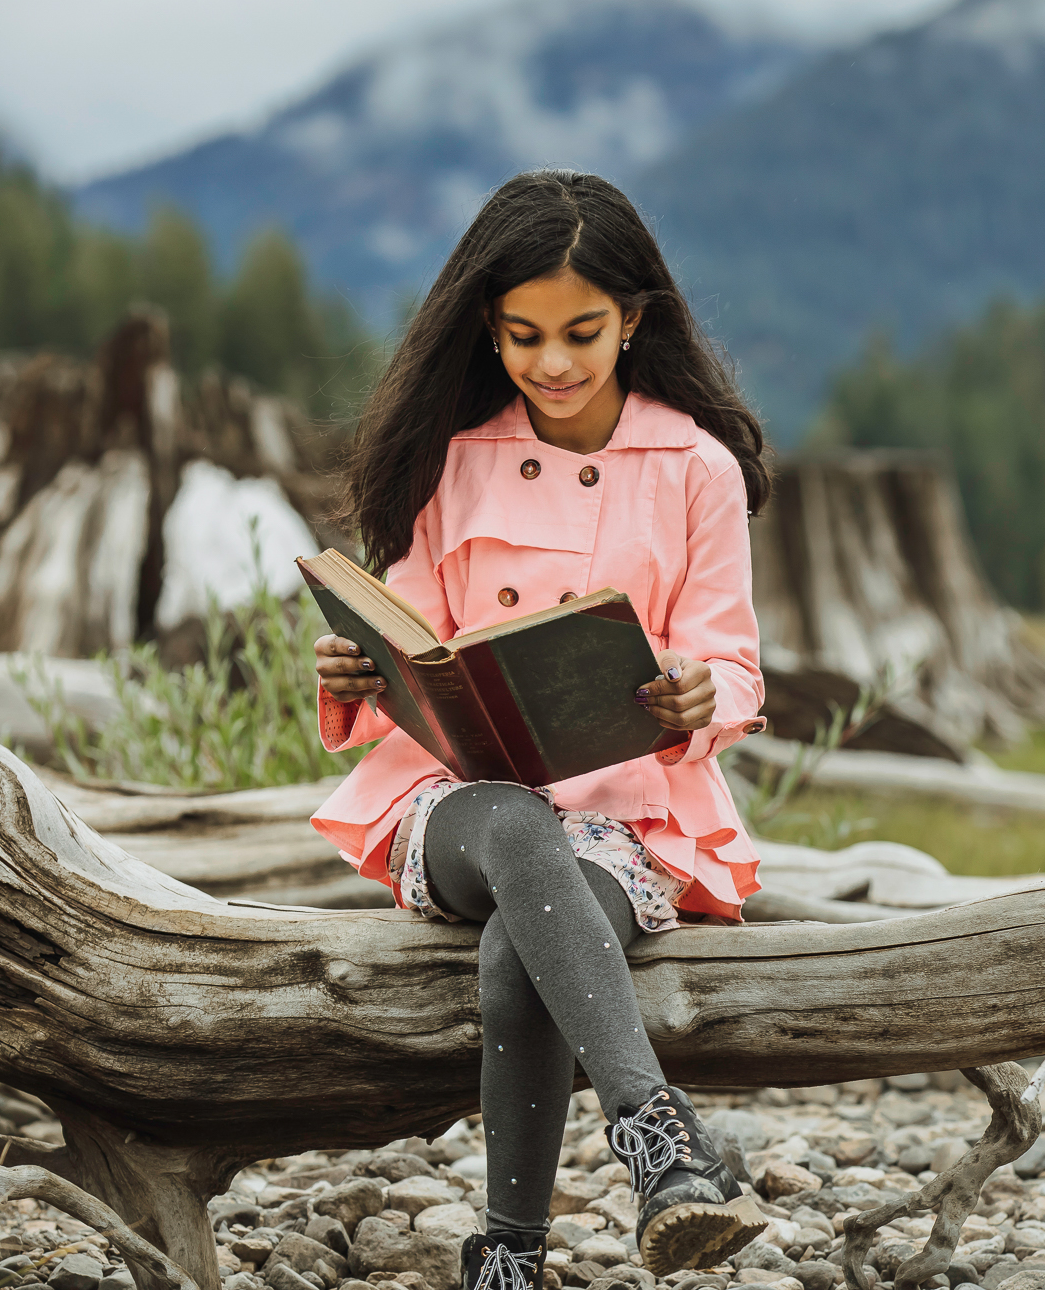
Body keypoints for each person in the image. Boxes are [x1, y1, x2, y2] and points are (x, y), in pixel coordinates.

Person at [310, 170, 774, 1290]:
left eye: (581, 333)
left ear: (635, 320)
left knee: (530, 939)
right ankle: (659, 1138)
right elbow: (412, 631)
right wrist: (357, 672)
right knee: (519, 831)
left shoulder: (694, 468)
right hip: (458, 806)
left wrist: (697, 696)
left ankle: (508, 1257)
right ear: (488, 325)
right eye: (523, 336)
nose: (553, 363)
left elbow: (734, 662)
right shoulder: (447, 457)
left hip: (627, 816)